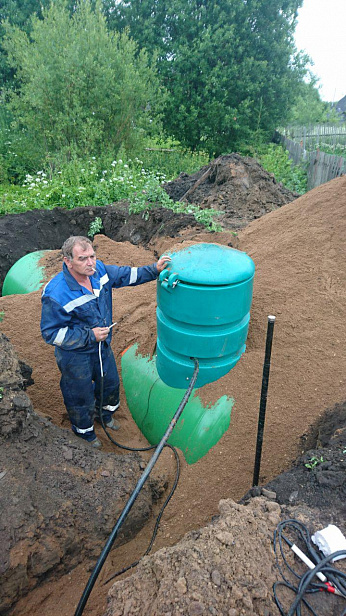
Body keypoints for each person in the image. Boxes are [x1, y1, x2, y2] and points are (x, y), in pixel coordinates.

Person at [41, 235, 170, 448]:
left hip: (101, 347)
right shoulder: (56, 294)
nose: (90, 262)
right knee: (79, 395)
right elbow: (52, 333)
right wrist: (89, 336)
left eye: (92, 256)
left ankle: (104, 416)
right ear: (68, 261)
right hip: (75, 356)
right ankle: (85, 434)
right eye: (82, 259)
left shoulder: (98, 271)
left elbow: (127, 275)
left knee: (110, 384)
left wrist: (154, 269)